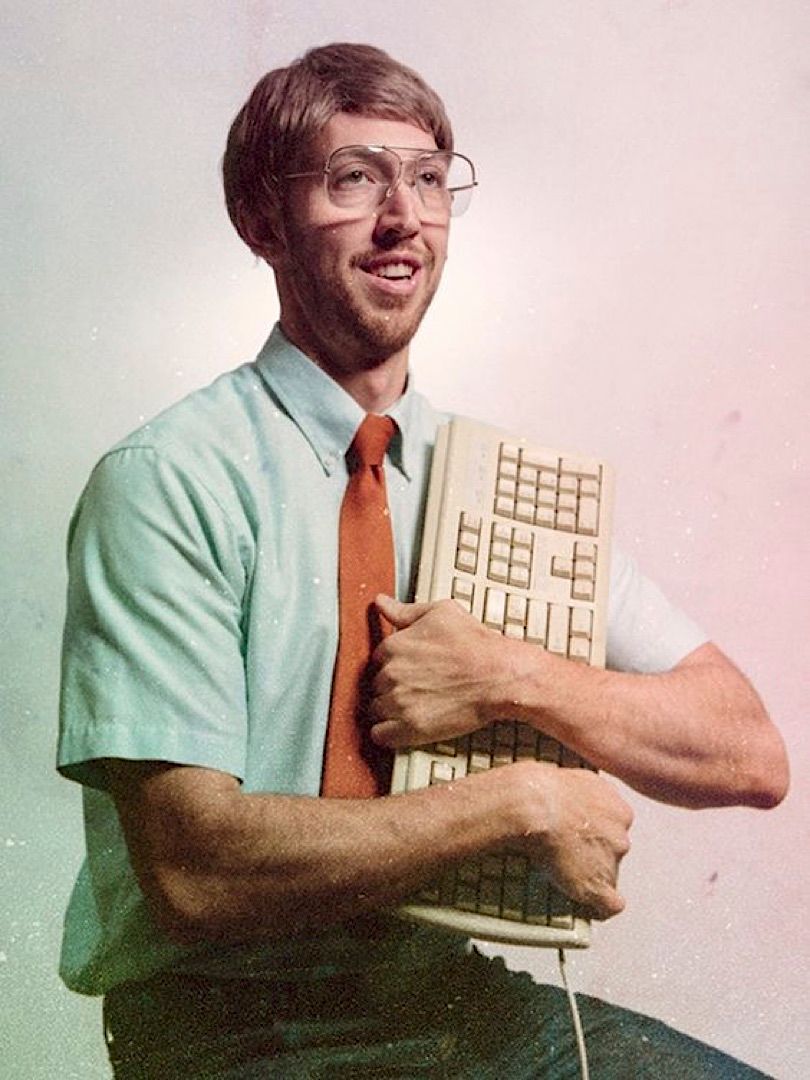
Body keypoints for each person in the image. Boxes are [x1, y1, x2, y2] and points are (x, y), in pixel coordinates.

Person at [57, 42, 788, 1079]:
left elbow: (750, 753)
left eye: (429, 177)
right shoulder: (168, 479)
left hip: (448, 997)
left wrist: (513, 676)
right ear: (263, 222)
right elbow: (194, 868)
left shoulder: (497, 483)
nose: (404, 216)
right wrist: (521, 802)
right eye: (355, 178)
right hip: (237, 1031)